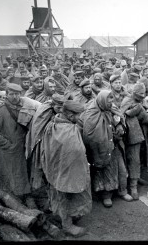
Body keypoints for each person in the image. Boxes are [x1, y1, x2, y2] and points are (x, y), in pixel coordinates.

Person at [41, 100, 92, 236]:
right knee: (65, 195)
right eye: (79, 115)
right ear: (70, 116)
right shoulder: (67, 131)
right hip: (64, 170)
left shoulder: (54, 123)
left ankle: (60, 215)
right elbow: (75, 151)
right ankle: (67, 225)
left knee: (59, 194)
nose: (81, 118)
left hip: (56, 168)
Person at [82, 90, 133, 208]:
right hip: (101, 149)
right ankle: (107, 195)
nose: (111, 101)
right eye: (109, 99)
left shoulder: (111, 108)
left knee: (121, 169)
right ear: (102, 100)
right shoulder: (92, 113)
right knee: (106, 171)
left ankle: (123, 191)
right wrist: (109, 136)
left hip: (115, 146)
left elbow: (119, 118)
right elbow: (90, 135)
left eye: (112, 98)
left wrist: (120, 126)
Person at [0, 83, 41, 203]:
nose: (15, 97)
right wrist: (7, 145)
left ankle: (25, 195)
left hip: (24, 147)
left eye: (17, 94)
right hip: (9, 150)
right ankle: (13, 198)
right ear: (7, 95)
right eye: (12, 94)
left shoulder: (24, 107)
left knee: (24, 172)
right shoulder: (0, 110)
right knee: (11, 174)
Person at [121, 83, 148, 199]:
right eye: (140, 94)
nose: (143, 96)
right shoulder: (128, 101)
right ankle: (133, 186)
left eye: (144, 94)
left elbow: (143, 114)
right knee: (133, 159)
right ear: (134, 93)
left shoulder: (138, 101)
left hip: (139, 131)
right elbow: (125, 114)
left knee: (140, 157)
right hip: (130, 134)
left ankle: (137, 178)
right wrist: (138, 110)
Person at [26, 94, 64, 190]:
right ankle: (37, 188)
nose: (60, 110)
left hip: (49, 142)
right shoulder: (45, 112)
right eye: (58, 107)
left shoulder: (54, 110)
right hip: (40, 142)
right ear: (53, 105)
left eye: (62, 108)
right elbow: (38, 129)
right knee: (39, 164)